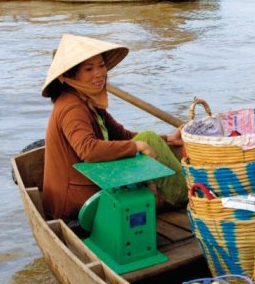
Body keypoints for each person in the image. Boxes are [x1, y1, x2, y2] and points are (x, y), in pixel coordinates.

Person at [41, 34, 186, 221]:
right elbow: (88, 150)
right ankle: (184, 197)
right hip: (76, 201)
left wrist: (167, 139)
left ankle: (180, 196)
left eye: (101, 66)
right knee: (146, 142)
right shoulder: (72, 107)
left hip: (95, 182)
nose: (99, 73)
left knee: (149, 138)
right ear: (69, 76)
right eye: (89, 69)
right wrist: (137, 146)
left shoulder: (88, 101)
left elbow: (121, 135)